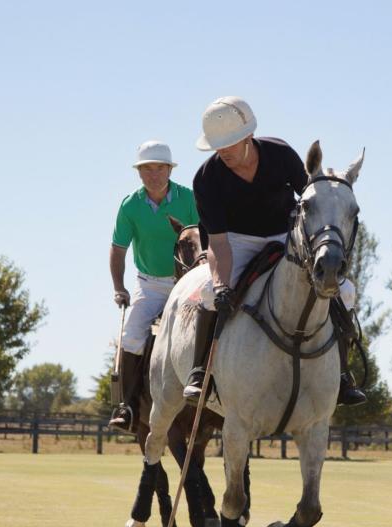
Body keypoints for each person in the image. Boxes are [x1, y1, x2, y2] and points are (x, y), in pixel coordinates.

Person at [183, 96, 366, 406]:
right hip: (236, 242)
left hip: (285, 238)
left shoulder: (280, 155)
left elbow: (312, 198)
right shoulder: (206, 178)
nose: (223, 151)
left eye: (229, 142)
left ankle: (342, 375)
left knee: (344, 291)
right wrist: (221, 284)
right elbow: (218, 243)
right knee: (207, 293)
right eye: (217, 145)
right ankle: (200, 373)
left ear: (248, 136)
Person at [108, 140, 199, 432]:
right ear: (139, 172)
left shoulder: (190, 199)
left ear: (170, 169)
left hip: (188, 283)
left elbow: (207, 240)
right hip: (150, 286)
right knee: (131, 336)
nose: (153, 174)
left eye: (159, 167)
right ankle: (127, 406)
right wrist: (118, 287)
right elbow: (118, 249)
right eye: (147, 168)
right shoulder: (130, 206)